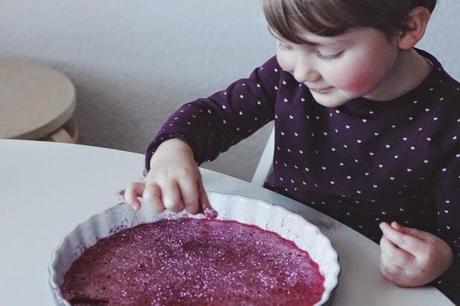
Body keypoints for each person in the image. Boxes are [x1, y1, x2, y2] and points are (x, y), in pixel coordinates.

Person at [125, 0, 460, 302]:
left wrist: (440, 261)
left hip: (376, 283)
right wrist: (172, 153)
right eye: (285, 43)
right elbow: (213, 116)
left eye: (328, 53)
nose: (300, 70)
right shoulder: (288, 76)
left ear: (408, 28)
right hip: (273, 259)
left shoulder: (450, 123)